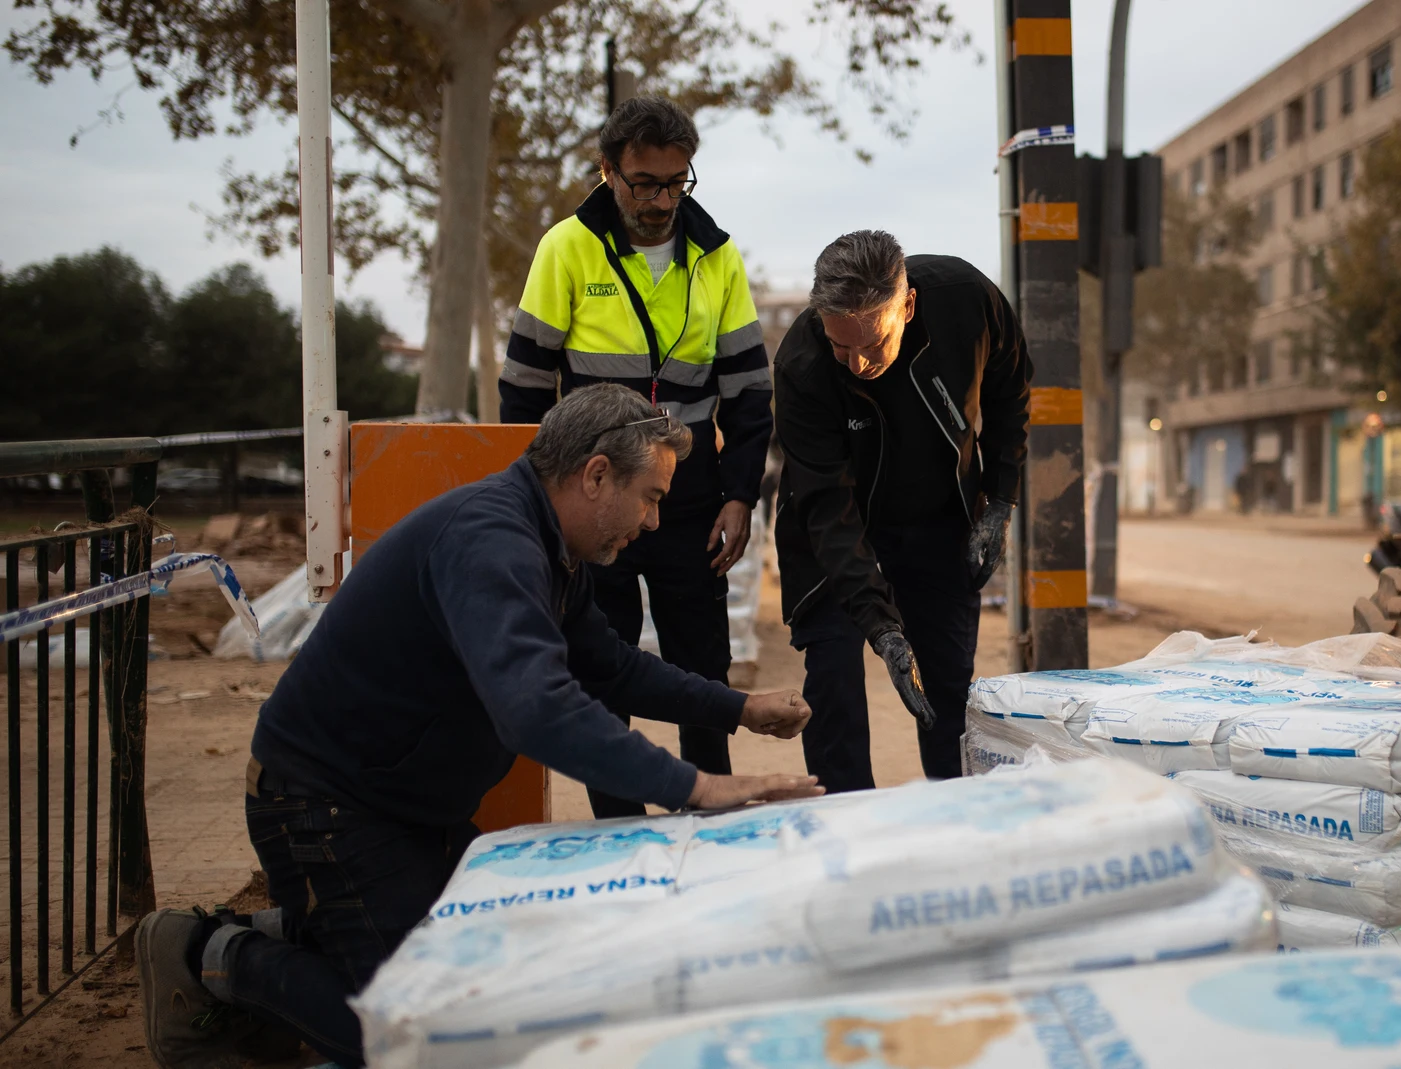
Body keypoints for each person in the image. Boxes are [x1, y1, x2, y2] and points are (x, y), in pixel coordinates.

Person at [135, 386, 820, 1069]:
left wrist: (739, 708)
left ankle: (304, 928)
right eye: (652, 496)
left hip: (406, 808)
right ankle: (208, 953)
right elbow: (537, 708)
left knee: (500, 985)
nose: (651, 521)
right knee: (418, 1041)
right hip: (323, 804)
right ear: (596, 474)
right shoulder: (492, 541)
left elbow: (610, 668)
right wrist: (694, 786)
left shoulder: (551, 548)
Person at [499, 95, 773, 814]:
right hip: (590, 499)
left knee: (702, 667)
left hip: (691, 497)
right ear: (608, 172)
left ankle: (709, 810)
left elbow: (750, 394)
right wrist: (536, 507)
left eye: (675, 182)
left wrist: (739, 496)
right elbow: (523, 389)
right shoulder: (566, 248)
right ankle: (617, 829)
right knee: (597, 664)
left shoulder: (718, 257)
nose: (659, 199)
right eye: (642, 183)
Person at [772, 230, 1030, 790]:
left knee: (945, 688)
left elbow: (1011, 391)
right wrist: (883, 629)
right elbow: (827, 509)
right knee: (835, 678)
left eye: (873, 344)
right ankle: (848, 825)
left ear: (907, 306)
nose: (857, 363)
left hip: (937, 516)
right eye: (842, 347)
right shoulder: (802, 365)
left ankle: (953, 810)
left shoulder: (969, 299)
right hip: (834, 531)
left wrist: (1000, 501)